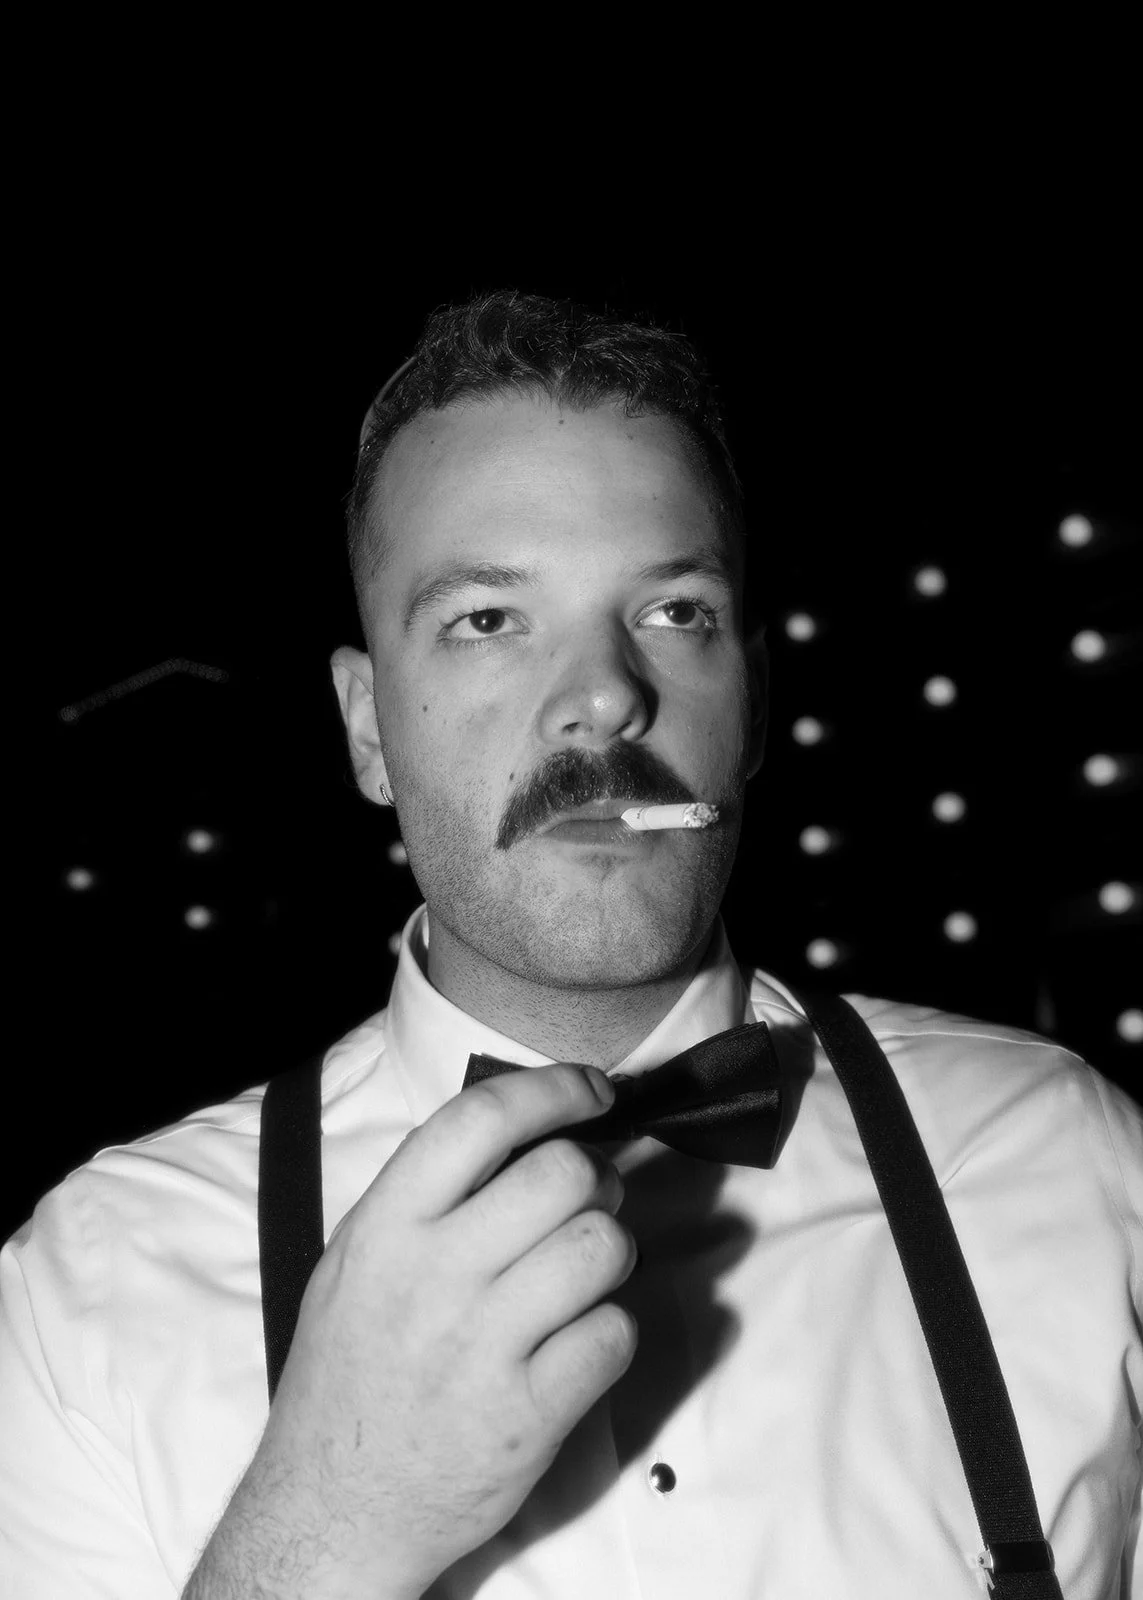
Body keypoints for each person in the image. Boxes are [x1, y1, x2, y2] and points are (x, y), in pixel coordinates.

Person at [3, 288, 1140, 1600]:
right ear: (369, 731)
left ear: (752, 700)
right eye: (487, 619)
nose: (604, 694)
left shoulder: (1076, 1166)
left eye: (671, 612)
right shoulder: (86, 1295)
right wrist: (326, 1529)